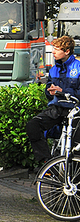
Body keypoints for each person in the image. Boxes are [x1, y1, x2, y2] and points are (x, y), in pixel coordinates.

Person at [26, 36, 80, 164]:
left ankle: (73, 177)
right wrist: (50, 91)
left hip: (75, 110)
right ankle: (47, 163)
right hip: (57, 109)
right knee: (33, 125)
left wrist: (63, 92)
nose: (53, 52)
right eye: (53, 49)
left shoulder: (78, 67)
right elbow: (49, 94)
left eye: (56, 49)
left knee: (75, 146)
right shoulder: (54, 69)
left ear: (67, 51)